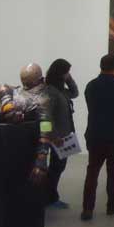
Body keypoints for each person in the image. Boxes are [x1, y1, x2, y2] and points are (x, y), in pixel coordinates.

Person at [81, 53, 114, 221]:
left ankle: (87, 209)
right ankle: (113, 205)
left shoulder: (91, 86)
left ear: (101, 66)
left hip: (95, 135)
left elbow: (91, 107)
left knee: (92, 172)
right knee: (113, 173)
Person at [44, 58, 79, 209]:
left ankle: (49, 196)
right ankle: (49, 197)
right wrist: (54, 136)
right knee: (56, 168)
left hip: (63, 135)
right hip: (57, 137)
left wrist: (69, 79)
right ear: (59, 73)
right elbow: (46, 117)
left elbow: (75, 93)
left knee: (58, 167)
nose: (68, 75)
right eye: (66, 72)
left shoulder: (61, 90)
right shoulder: (51, 91)